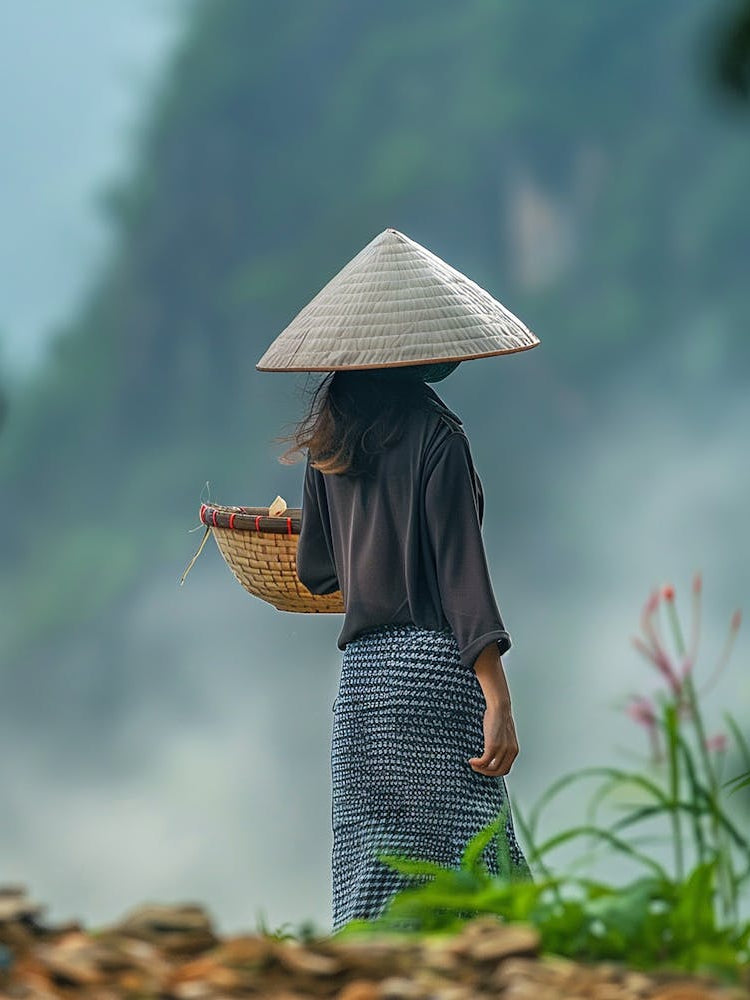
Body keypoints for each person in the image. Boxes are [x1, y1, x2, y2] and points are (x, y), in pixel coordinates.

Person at [258, 227, 540, 930]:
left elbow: (319, 573)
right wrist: (497, 697)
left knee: (376, 882)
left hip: (365, 689)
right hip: (434, 672)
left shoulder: (326, 448)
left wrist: (365, 540)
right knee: (471, 873)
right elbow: (461, 580)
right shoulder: (440, 439)